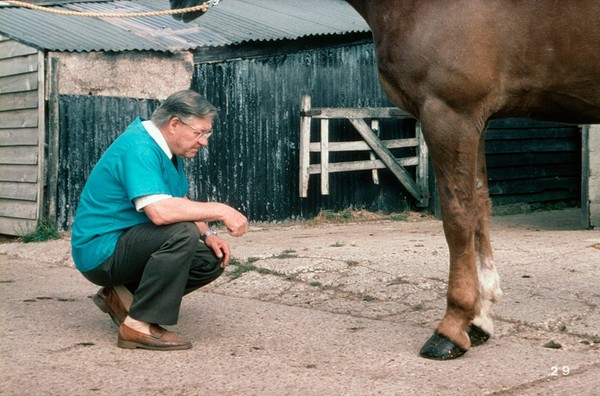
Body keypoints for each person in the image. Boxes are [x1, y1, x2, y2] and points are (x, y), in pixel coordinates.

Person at [71, 90, 248, 351]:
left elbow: (178, 199)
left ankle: (121, 296)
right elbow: (161, 212)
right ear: (174, 124)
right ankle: (138, 325)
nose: (204, 142)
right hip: (100, 252)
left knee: (210, 260)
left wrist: (208, 235)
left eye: (206, 134)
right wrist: (223, 210)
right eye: (199, 133)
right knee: (181, 233)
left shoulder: (164, 149)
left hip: (126, 243)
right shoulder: (139, 147)